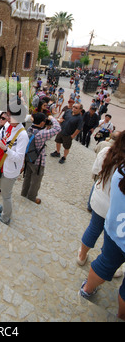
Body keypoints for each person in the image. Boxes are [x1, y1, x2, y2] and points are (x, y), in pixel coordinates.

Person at [79, 163, 125, 321]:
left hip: (115, 222)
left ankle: (86, 287)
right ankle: (120, 316)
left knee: (105, 260)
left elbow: (95, 171)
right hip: (115, 219)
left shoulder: (118, 165)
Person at [77, 131, 125, 273]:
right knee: (111, 238)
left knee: (94, 228)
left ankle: (81, 255)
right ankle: (110, 264)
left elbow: (96, 171)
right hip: (118, 208)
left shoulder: (106, 151)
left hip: (100, 199)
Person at [0, 103, 29, 225]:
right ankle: (4, 208)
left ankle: (5, 217)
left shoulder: (23, 135)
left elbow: (19, 158)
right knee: (3, 189)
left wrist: (6, 149)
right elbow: (1, 138)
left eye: (10, 115)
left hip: (10, 169)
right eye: (7, 114)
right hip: (1, 163)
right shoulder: (8, 125)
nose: (7, 118)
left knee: (7, 195)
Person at [21, 113, 61, 204]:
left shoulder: (30, 129)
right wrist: (52, 119)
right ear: (42, 123)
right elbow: (58, 129)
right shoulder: (41, 134)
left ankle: (23, 194)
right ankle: (31, 198)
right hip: (38, 161)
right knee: (36, 181)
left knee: (27, 178)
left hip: (29, 159)